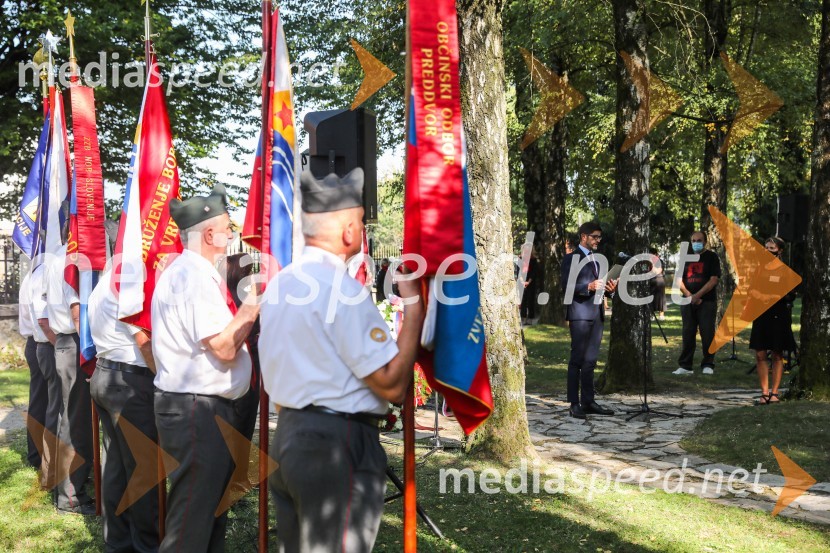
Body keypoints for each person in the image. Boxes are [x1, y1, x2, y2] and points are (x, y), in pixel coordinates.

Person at [259, 167, 425, 552]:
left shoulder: (281, 283)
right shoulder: (343, 290)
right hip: (336, 445)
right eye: (361, 222)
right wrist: (414, 310)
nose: (362, 230)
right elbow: (392, 385)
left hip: (288, 438)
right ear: (349, 231)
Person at [151, 184, 259, 552]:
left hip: (201, 406)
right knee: (191, 519)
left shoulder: (193, 272)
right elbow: (225, 347)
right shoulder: (193, 276)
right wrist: (253, 305)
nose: (233, 234)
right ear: (210, 234)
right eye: (229, 228)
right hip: (197, 409)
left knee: (210, 509)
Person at [89, 263, 159, 552]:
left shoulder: (104, 282)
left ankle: (118, 541)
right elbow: (143, 342)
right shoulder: (126, 280)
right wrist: (165, 377)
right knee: (144, 469)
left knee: (118, 467)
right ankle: (148, 544)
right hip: (129, 380)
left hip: (107, 374)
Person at [45, 241, 95, 514]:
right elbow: (76, 309)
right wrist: (90, 349)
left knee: (73, 419)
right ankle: (70, 496)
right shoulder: (71, 256)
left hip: (69, 342)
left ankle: (68, 487)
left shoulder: (58, 256)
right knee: (75, 422)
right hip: (76, 342)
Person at [560, 221, 617, 419]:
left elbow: (600, 287)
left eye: (600, 237)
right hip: (580, 314)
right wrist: (588, 286)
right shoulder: (571, 259)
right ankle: (574, 403)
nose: (598, 240)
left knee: (591, 361)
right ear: (584, 236)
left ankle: (588, 401)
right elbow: (566, 287)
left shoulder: (599, 260)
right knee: (577, 360)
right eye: (595, 236)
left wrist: (610, 290)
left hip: (597, 314)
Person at [748, 237, 797, 405]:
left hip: (779, 314)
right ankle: (764, 392)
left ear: (780, 251)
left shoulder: (785, 270)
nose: (768, 251)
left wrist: (775, 296)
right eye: (766, 248)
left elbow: (792, 293)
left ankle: (775, 393)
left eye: (772, 248)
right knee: (760, 354)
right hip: (761, 314)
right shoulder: (758, 269)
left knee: (777, 354)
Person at [31, 255, 62, 493]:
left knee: (56, 409)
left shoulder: (43, 269)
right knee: (57, 412)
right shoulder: (44, 271)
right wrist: (59, 345)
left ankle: (53, 471)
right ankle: (51, 474)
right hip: (50, 347)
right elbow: (44, 319)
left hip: (46, 346)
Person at [673, 231, 721, 376]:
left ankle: (708, 363)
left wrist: (698, 296)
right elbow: (678, 280)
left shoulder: (712, 257)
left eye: (699, 240)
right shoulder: (684, 258)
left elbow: (714, 280)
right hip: (687, 300)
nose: (696, 243)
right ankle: (685, 366)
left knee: (707, 333)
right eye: (693, 240)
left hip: (707, 302)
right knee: (688, 332)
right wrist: (690, 296)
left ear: (705, 241)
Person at [19, 267, 47, 471]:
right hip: (40, 341)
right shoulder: (39, 274)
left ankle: (39, 453)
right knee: (42, 400)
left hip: (35, 340)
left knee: (42, 399)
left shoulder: (32, 274)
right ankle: (37, 454)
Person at [520, 248, 540, 326]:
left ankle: (530, 319)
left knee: (531, 301)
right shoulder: (520, 259)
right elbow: (519, 271)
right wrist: (522, 281)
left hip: (531, 283)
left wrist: (528, 282)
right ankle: (523, 318)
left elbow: (534, 272)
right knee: (523, 301)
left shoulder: (534, 260)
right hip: (522, 282)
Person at [649, 248, 666, 320]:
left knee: (660, 299)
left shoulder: (659, 262)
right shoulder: (646, 262)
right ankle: (651, 314)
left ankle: (661, 315)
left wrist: (651, 263)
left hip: (659, 281)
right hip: (650, 282)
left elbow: (657, 271)